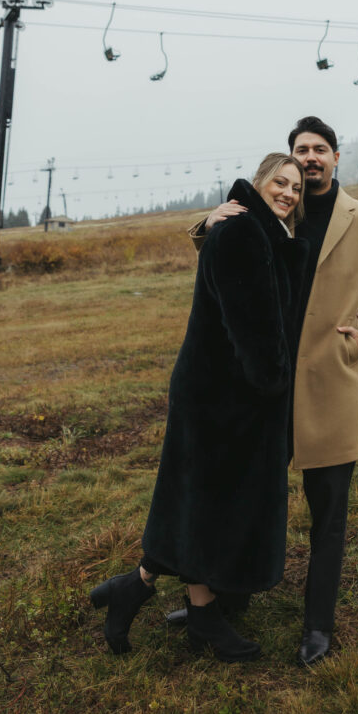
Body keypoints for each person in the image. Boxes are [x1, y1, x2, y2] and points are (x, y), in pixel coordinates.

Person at [175, 116, 358, 665]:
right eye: (301, 149)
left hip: (332, 387)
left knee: (327, 516)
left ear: (335, 157)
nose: (310, 158)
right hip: (265, 392)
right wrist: (206, 224)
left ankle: (318, 626)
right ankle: (225, 601)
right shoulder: (279, 209)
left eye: (319, 149)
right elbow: (231, 262)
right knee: (246, 497)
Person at [90, 153, 309, 662]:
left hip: (221, 393)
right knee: (206, 503)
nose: (288, 193)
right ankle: (171, 604)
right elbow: (252, 327)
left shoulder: (257, 231)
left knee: (201, 502)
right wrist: (275, 382)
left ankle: (156, 596)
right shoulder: (243, 232)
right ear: (260, 181)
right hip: (223, 398)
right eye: (280, 182)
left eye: (296, 188)